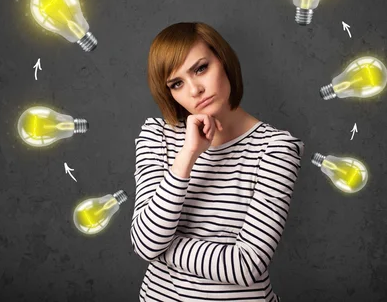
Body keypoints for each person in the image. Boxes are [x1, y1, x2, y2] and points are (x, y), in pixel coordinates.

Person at [130, 21, 304, 302]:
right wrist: (187, 155)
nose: (195, 90)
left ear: (223, 61)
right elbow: (144, 242)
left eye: (200, 68)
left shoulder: (275, 149)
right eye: (177, 83)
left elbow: (247, 265)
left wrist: (162, 248)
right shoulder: (157, 135)